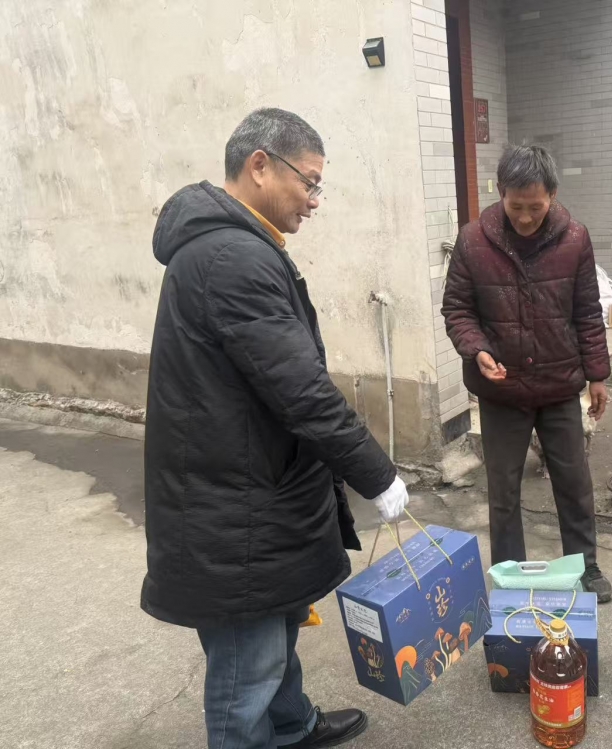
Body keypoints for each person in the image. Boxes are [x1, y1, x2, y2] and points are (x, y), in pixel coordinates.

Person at [142, 108, 410, 749]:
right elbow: (302, 392)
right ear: (260, 165)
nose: (315, 200)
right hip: (234, 505)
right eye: (309, 182)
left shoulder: (239, 245)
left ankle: (291, 727)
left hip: (253, 487)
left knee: (276, 631)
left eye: (320, 187)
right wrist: (376, 475)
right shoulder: (232, 257)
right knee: (247, 665)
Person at [442, 144, 612, 603]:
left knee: (574, 483)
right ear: (501, 192)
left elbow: (587, 312)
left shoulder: (575, 238)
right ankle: (509, 575)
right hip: (502, 390)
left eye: (535, 207)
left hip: (559, 386)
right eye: (515, 206)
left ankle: (586, 565)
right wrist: (477, 349)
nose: (524, 218)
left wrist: (598, 374)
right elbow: (457, 309)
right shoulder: (473, 241)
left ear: (552, 195)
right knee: (503, 490)